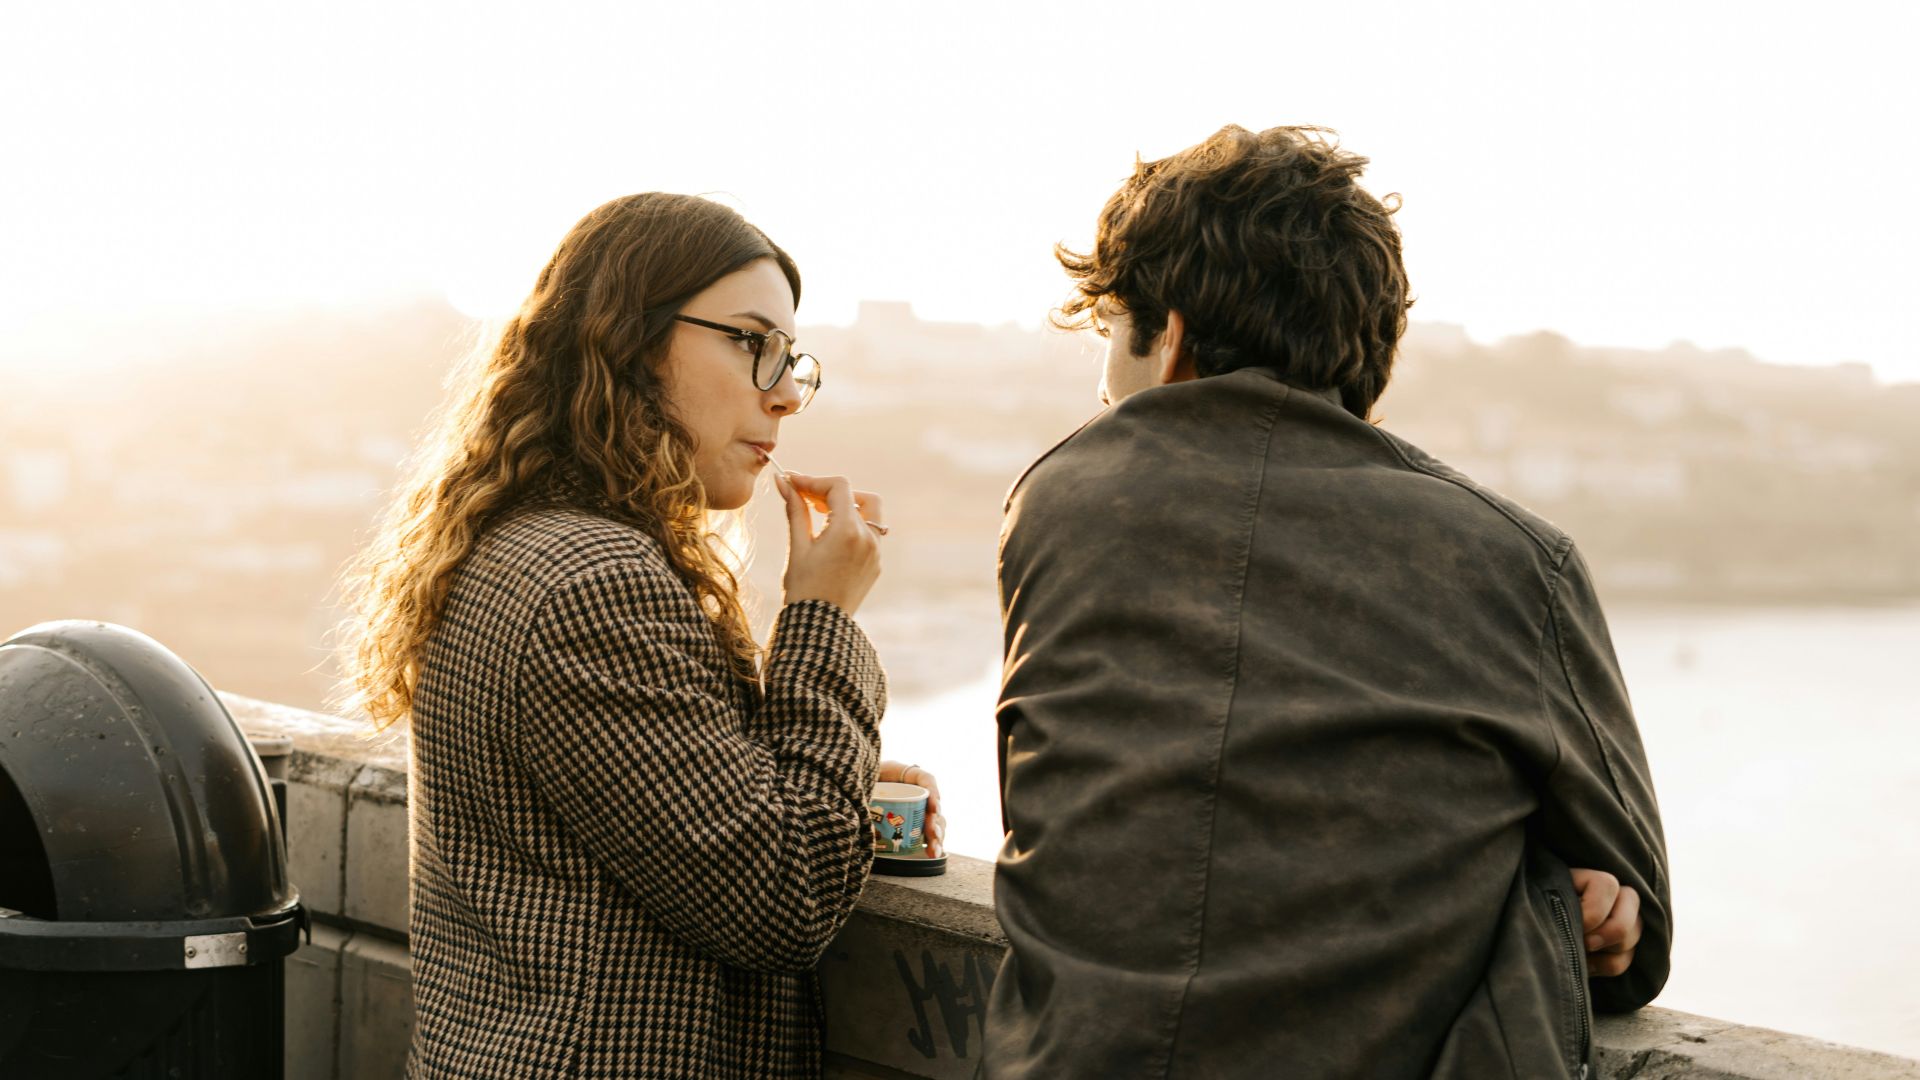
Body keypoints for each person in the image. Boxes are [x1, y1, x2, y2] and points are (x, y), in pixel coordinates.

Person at [987, 126, 1671, 1078]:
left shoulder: (1058, 503)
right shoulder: (1517, 561)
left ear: (1170, 336)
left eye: (1111, 339)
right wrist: (1551, 890)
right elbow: (1639, 932)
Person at [337, 192, 943, 1079]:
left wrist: (799, 761)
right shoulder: (597, 582)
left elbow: (640, 791)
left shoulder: (523, 542)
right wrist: (823, 617)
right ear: (629, 337)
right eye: (752, 343)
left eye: (793, 359)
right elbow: (784, 897)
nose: (783, 397)